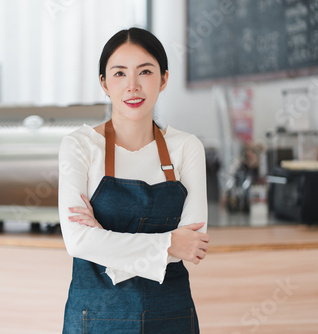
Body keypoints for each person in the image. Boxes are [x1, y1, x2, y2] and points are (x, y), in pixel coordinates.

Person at [58, 27, 209, 333]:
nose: (133, 86)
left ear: (163, 79)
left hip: (171, 316)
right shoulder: (78, 146)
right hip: (96, 318)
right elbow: (77, 241)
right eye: (119, 74)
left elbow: (192, 244)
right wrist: (169, 243)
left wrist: (104, 240)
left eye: (145, 72)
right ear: (104, 83)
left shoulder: (187, 147)